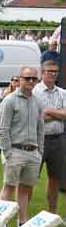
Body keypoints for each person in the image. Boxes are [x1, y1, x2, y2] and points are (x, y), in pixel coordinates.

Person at [0, 66, 45, 225]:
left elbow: (40, 128)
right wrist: (7, 152)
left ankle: (22, 222)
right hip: (15, 151)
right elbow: (3, 129)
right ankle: (1, 224)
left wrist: (40, 151)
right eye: (27, 78)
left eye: (34, 78)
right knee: (9, 187)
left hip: (33, 153)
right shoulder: (10, 100)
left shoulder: (38, 101)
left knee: (25, 189)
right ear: (20, 79)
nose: (31, 81)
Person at [33, 60, 66, 215]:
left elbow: (64, 115)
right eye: (49, 71)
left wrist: (49, 111)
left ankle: (52, 214)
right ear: (42, 73)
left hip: (58, 140)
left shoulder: (62, 92)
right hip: (38, 139)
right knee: (30, 178)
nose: (53, 74)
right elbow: (36, 117)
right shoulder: (34, 92)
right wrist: (57, 113)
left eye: (55, 71)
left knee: (55, 178)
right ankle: (23, 213)